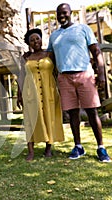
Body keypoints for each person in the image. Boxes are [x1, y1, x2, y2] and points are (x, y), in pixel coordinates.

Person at [47, 3, 110, 162]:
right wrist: (31, 55)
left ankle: (101, 148)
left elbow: (96, 51)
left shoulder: (83, 29)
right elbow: (49, 57)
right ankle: (78, 146)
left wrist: (101, 74)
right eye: (59, 13)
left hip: (84, 74)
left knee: (92, 112)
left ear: (70, 13)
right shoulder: (54, 36)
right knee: (72, 113)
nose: (62, 16)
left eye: (65, 12)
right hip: (64, 77)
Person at [17, 28, 64, 161]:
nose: (35, 41)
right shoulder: (25, 58)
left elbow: (57, 71)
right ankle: (30, 151)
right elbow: (21, 75)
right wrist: (19, 94)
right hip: (30, 92)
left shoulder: (50, 54)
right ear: (29, 44)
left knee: (50, 117)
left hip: (48, 90)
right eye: (32, 40)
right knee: (30, 119)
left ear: (41, 39)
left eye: (37, 38)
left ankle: (48, 148)